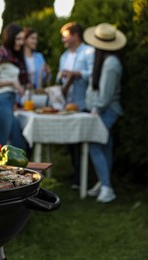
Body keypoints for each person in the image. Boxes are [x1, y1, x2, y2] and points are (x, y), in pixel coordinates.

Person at [83, 23, 126, 203]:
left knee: (94, 144)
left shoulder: (111, 64)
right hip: (102, 111)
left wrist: (96, 109)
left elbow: (106, 95)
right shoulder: (106, 60)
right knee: (105, 146)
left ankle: (107, 188)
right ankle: (104, 182)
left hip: (106, 112)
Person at [57, 22, 95, 188]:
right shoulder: (64, 56)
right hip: (68, 105)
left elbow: (93, 74)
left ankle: (83, 177)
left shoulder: (88, 52)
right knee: (72, 143)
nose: (63, 39)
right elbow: (60, 79)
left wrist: (76, 74)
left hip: (83, 103)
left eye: (65, 35)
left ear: (75, 35)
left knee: (82, 143)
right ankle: (76, 174)